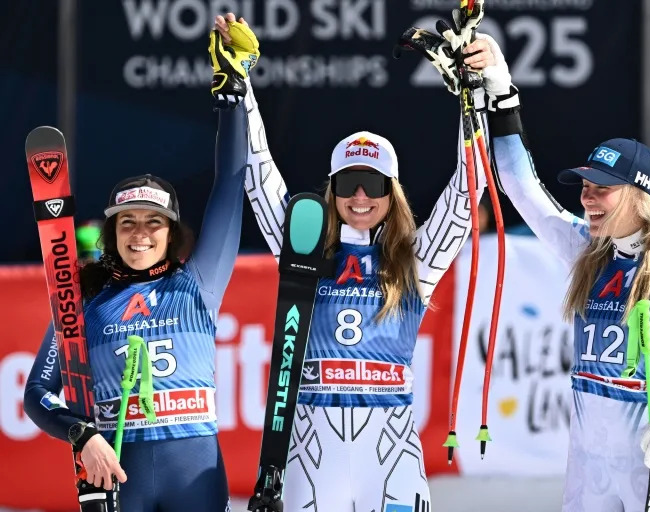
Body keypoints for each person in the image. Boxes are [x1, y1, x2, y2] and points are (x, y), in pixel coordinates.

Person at [462, 33, 650, 512]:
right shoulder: (587, 252)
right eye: (584, 186)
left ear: (639, 196)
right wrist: (501, 89)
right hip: (587, 468)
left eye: (602, 188)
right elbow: (519, 184)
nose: (586, 197)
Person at [210, 13, 493, 512]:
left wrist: (472, 103)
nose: (360, 196)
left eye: (374, 184)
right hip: (309, 452)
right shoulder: (305, 249)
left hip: (391, 452)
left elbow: (467, 195)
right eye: (347, 183)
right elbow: (260, 177)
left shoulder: (413, 260)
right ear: (332, 189)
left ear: (393, 192)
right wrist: (243, 84)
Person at [23, 42, 252, 509]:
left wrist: (233, 97)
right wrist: (82, 433)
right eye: (127, 223)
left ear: (172, 232)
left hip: (196, 478)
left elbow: (230, 181)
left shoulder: (199, 282)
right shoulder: (84, 298)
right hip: (119, 479)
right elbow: (37, 395)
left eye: (154, 223)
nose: (140, 234)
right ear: (112, 231)